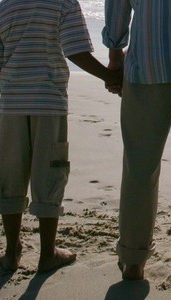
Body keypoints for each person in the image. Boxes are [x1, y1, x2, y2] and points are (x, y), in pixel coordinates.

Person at [0, 0, 122, 272]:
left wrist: (12, 95)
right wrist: (109, 76)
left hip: (11, 103)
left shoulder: (3, 8)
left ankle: (12, 251)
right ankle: (47, 253)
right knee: (49, 173)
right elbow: (76, 51)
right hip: (48, 102)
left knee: (9, 175)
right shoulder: (63, 4)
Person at [102, 0, 171, 280]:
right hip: (146, 68)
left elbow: (118, 10)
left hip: (147, 66)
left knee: (140, 168)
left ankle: (133, 260)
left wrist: (116, 58)